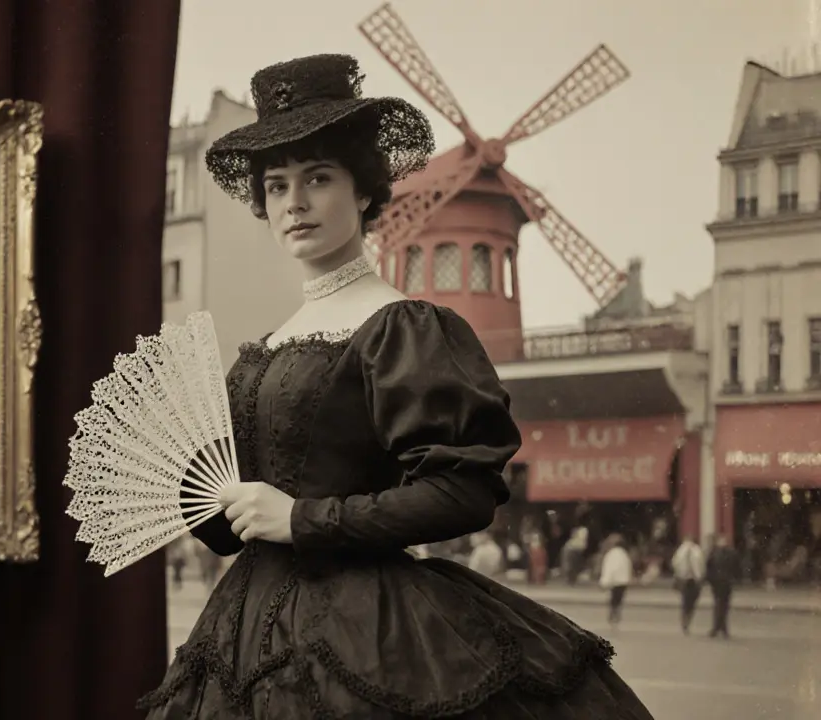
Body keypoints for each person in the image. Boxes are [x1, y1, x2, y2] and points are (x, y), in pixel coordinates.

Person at [138, 54, 653, 720]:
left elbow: (461, 491)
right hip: (237, 636)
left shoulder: (403, 328)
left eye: (318, 178)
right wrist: (207, 503)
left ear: (362, 191)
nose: (294, 203)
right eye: (276, 186)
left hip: (367, 632)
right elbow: (237, 521)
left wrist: (301, 518)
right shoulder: (261, 348)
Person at [670, 534, 706, 634]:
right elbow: (701, 564)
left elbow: (674, 563)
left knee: (687, 601)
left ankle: (685, 620)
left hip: (688, 579)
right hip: (690, 579)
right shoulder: (693, 550)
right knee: (689, 602)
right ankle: (686, 620)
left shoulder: (684, 550)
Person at [706, 533, 739, 638]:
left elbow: (708, 568)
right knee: (724, 606)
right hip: (727, 582)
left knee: (718, 605)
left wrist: (710, 581)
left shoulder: (713, 553)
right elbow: (736, 567)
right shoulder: (732, 552)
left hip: (717, 582)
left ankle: (717, 627)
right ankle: (723, 628)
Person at [599, 533, 633, 628]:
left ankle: (612, 615)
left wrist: (604, 581)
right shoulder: (624, 554)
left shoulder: (612, 554)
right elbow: (627, 568)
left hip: (615, 581)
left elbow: (609, 569)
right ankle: (616, 615)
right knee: (619, 599)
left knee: (613, 599)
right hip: (623, 581)